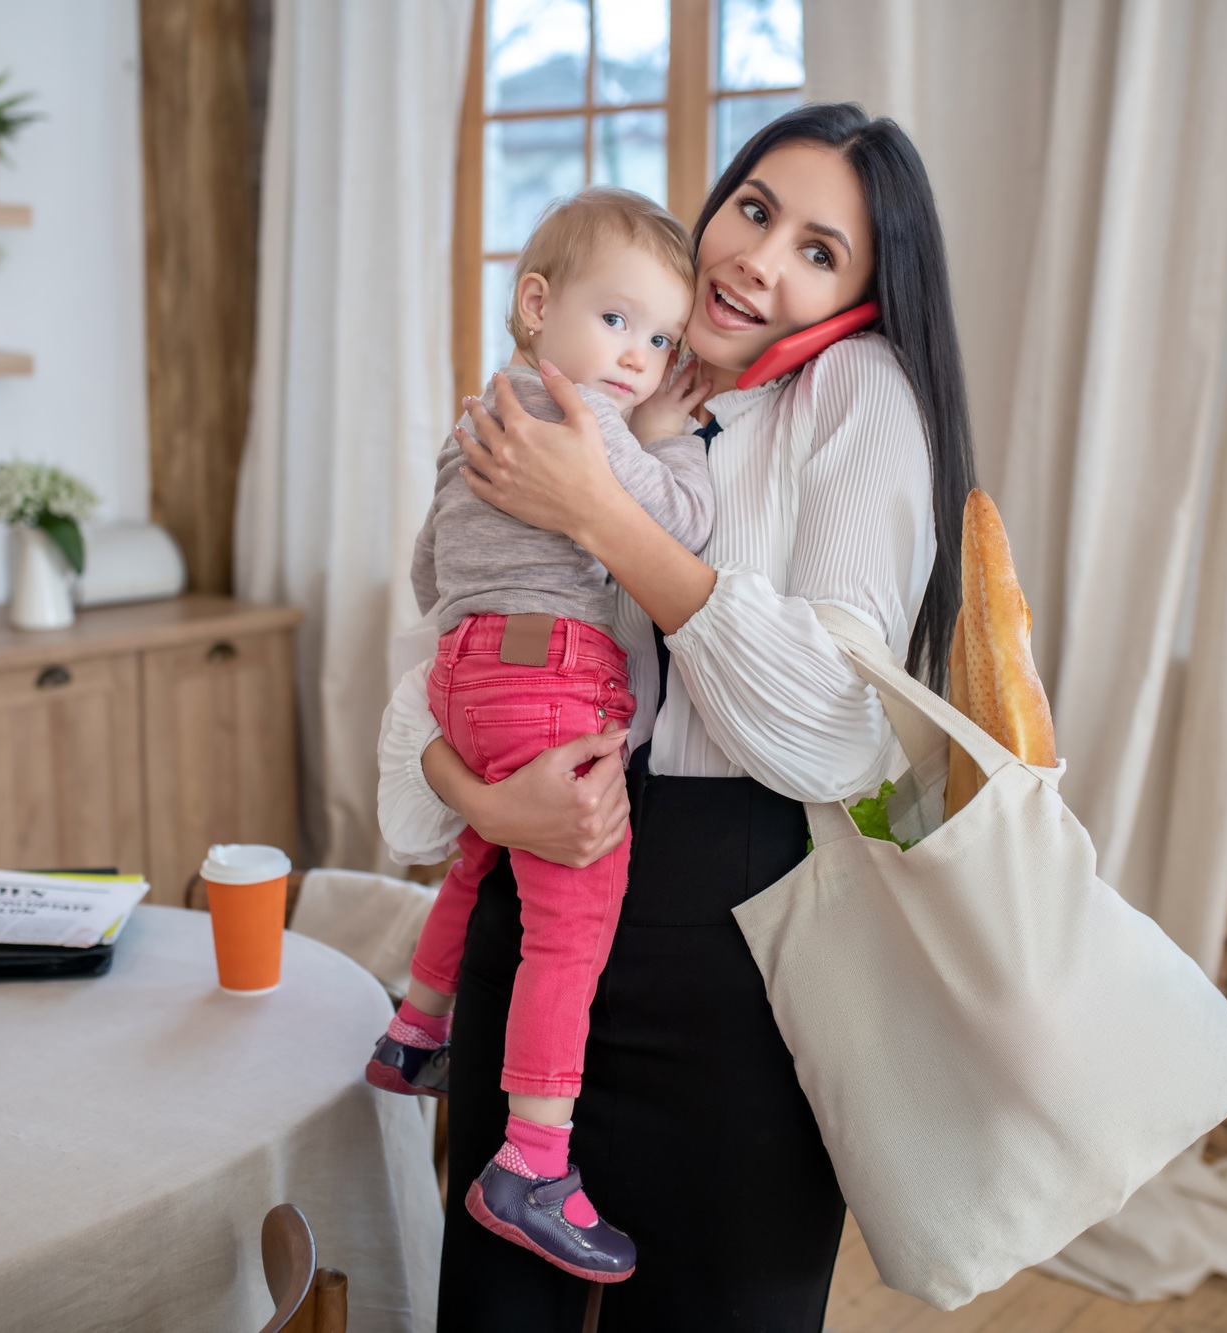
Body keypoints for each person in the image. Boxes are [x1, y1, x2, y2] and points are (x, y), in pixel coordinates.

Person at [379, 103, 977, 1331]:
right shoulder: (617, 372)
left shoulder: (852, 396)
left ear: (866, 291)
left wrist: (607, 516)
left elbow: (827, 723)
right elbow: (442, 645)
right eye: (754, 211)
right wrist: (483, 798)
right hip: (535, 872)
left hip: (730, 945)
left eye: (819, 249)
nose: (760, 257)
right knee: (494, 1308)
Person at [364, 185, 715, 1283]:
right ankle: (530, 1160)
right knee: (572, 919)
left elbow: (427, 565)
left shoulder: (477, 416)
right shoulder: (590, 419)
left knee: (480, 856)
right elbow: (681, 527)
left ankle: (416, 1027)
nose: (637, 357)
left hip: (466, 668)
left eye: (660, 339)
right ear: (534, 304)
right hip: (551, 671)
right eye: (617, 322)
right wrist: (667, 434)